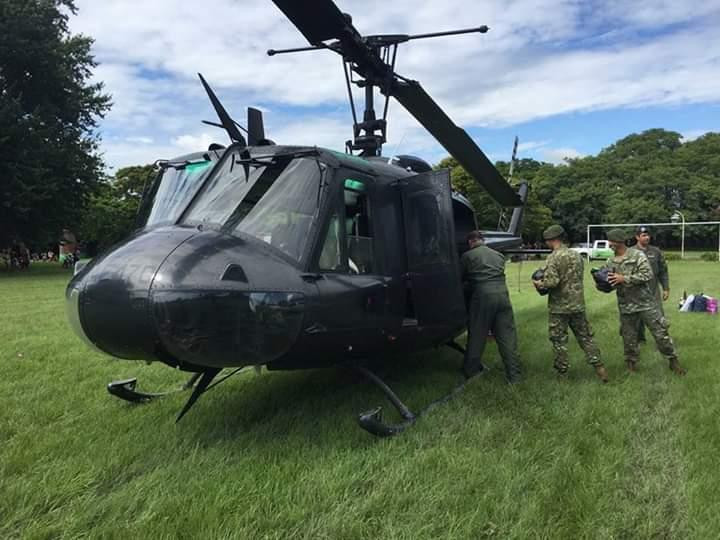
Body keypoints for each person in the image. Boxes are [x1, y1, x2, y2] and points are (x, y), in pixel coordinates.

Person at [603, 228, 686, 375]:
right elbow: (610, 283)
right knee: (629, 338)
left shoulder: (637, 255)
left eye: (611, 241)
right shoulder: (610, 261)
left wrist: (625, 278)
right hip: (626, 305)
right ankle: (631, 367)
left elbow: (647, 274)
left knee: (660, 333)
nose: (609, 244)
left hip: (645, 303)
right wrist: (603, 283)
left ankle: (673, 361)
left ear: (618, 241)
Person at [533, 225, 608, 382]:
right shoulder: (576, 255)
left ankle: (562, 374)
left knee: (559, 341)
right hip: (577, 304)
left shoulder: (554, 257)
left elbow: (552, 282)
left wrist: (539, 284)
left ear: (551, 240)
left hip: (559, 307)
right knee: (586, 338)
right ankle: (600, 369)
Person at [461, 230, 522, 383]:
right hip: (503, 295)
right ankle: (514, 376)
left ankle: (471, 372)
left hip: (482, 296)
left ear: (470, 242)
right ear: (483, 240)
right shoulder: (498, 255)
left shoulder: (468, 256)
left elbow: (461, 279)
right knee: (507, 336)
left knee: (477, 335)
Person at [633, 225, 669, 343]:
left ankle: (663, 339)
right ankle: (640, 339)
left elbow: (663, 271)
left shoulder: (656, 251)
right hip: (637, 291)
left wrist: (665, 288)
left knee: (659, 315)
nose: (647, 237)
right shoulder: (631, 252)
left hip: (653, 290)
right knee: (637, 318)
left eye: (648, 235)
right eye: (644, 235)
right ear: (637, 237)